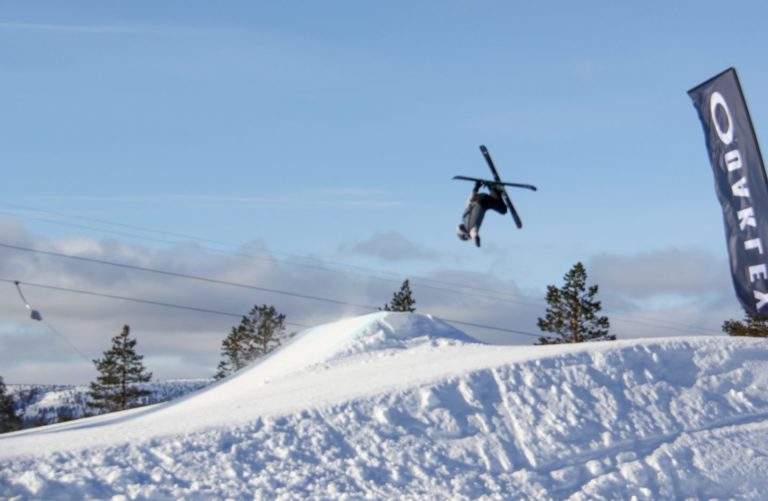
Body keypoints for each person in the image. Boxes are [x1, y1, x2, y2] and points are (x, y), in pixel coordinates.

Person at [456, 181, 507, 247]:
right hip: (479, 197)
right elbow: (469, 201)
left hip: (484, 203)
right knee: (495, 202)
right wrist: (476, 187)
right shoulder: (464, 217)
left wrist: (477, 241)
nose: (470, 238)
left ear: (466, 235)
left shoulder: (471, 229)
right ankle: (493, 189)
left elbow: (474, 234)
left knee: (503, 210)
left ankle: (494, 188)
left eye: (468, 238)